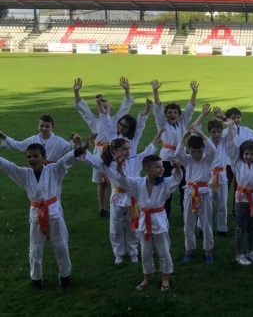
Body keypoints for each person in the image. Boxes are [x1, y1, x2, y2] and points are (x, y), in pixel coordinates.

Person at [0, 134, 90, 289]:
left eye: (35, 156)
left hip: (54, 213)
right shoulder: (24, 174)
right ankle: (36, 278)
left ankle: (65, 276)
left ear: (44, 157)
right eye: (29, 157)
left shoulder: (54, 169)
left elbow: (67, 159)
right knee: (35, 248)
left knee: (61, 245)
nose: (32, 159)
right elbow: (7, 165)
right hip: (36, 215)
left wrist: (83, 147)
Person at [82, 131, 163, 264]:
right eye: (124, 149)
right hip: (117, 197)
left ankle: (133, 252)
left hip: (133, 197)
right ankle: (119, 253)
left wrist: (158, 135)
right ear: (114, 151)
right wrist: (83, 145)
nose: (127, 151)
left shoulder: (135, 160)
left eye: (128, 148)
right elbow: (91, 160)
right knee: (116, 227)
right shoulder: (107, 164)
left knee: (133, 226)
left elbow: (148, 151)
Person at [116, 154, 182, 291]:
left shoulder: (164, 183)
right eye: (157, 167)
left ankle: (165, 278)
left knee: (163, 251)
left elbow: (177, 178)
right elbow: (123, 179)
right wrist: (119, 165)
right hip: (144, 223)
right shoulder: (138, 183)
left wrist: (177, 167)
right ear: (147, 169)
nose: (161, 169)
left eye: (162, 166)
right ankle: (147, 277)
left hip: (159, 221)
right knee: (145, 252)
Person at [73, 76, 134, 218]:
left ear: (111, 109)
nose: (104, 109)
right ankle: (102, 208)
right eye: (101, 106)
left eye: (107, 107)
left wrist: (127, 89)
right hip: (99, 152)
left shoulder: (116, 120)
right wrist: (76, 93)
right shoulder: (95, 121)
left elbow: (126, 107)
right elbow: (84, 111)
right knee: (101, 183)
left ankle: (117, 204)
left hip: (114, 152)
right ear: (98, 108)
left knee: (115, 179)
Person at [152, 79, 198, 218]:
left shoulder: (182, 123)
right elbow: (158, 109)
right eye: (170, 112)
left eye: (175, 113)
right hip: (166, 159)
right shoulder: (162, 123)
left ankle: (186, 212)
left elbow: (189, 110)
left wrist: (194, 92)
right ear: (166, 115)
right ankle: (165, 212)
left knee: (184, 187)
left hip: (182, 158)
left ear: (179, 115)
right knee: (166, 187)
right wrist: (155, 91)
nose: (172, 114)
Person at [226, 118, 253, 265]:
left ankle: (250, 251)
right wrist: (230, 128)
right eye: (246, 154)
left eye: (251, 154)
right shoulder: (237, 163)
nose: (248, 156)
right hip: (241, 199)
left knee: (252, 227)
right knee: (240, 227)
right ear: (242, 154)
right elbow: (231, 146)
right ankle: (239, 254)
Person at [213, 106, 253, 218]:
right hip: (228, 163)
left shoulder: (247, 131)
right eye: (233, 117)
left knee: (239, 188)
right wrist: (222, 118)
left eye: (238, 117)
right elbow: (215, 139)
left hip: (243, 164)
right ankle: (220, 212)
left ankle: (236, 211)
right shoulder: (225, 132)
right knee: (224, 190)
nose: (236, 120)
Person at [176, 125, 217, 264]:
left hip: (204, 194)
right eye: (193, 151)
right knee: (188, 223)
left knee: (206, 224)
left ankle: (208, 251)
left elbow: (213, 149)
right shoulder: (187, 160)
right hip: (189, 193)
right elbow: (178, 153)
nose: (196, 155)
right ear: (189, 151)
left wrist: (201, 133)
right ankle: (189, 249)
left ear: (203, 150)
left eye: (199, 151)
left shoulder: (207, 159)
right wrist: (183, 137)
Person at [192, 104, 230, 237]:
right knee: (205, 203)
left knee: (222, 203)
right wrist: (203, 114)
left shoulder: (225, 139)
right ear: (209, 132)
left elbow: (233, 127)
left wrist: (222, 117)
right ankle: (202, 227)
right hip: (207, 175)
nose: (216, 134)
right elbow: (193, 129)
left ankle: (222, 228)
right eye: (213, 132)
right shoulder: (204, 141)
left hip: (221, 174)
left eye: (219, 131)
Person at [0, 114, 72, 163]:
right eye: (42, 126)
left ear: (52, 127)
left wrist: (75, 142)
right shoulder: (32, 140)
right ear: (38, 126)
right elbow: (18, 145)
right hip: (36, 169)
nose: (44, 128)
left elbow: (71, 149)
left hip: (54, 171)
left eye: (47, 126)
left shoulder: (59, 141)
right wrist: (4, 136)